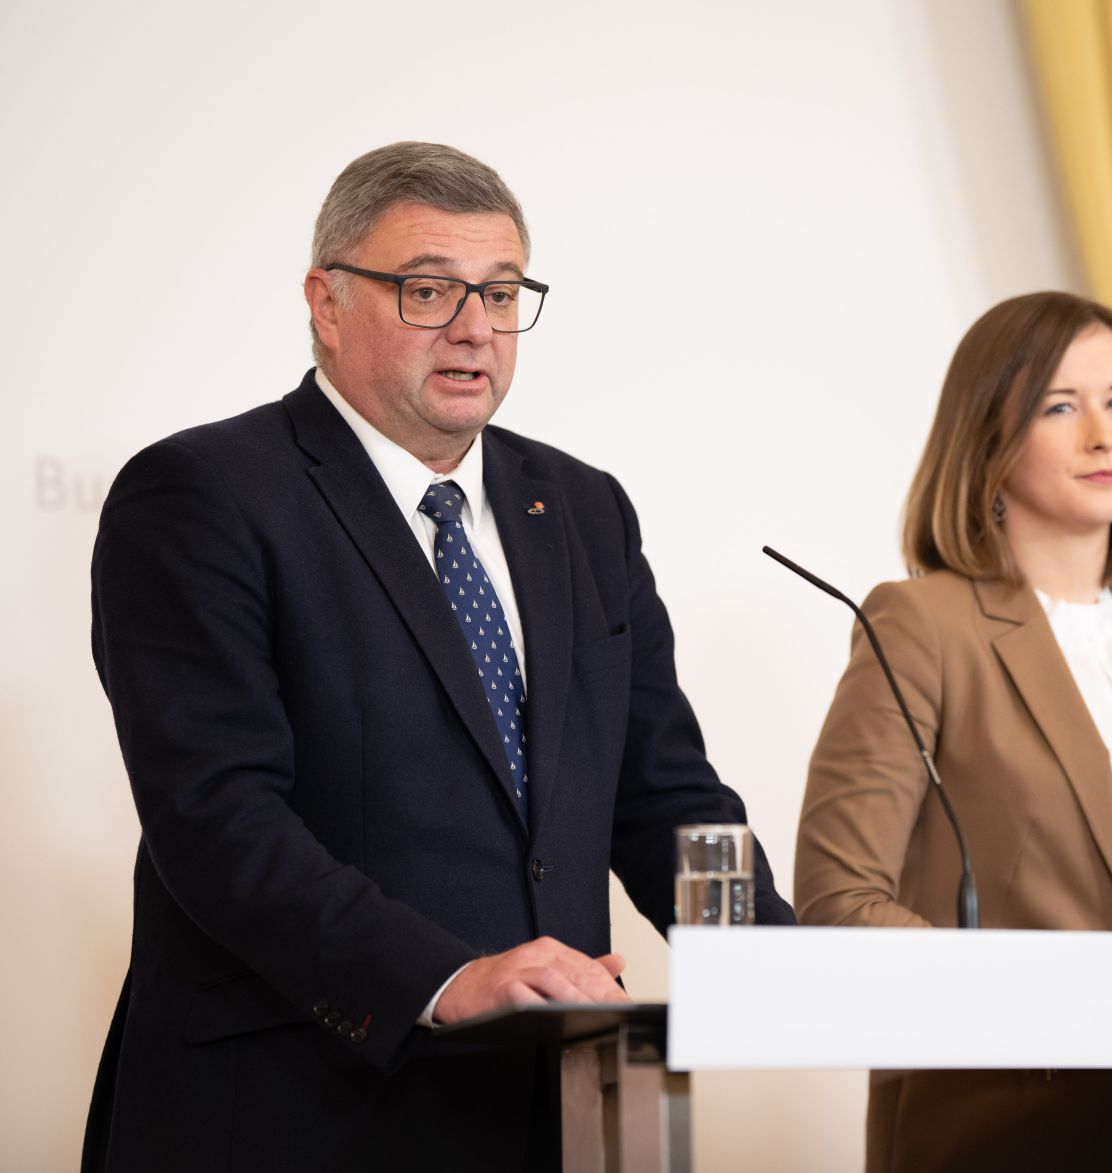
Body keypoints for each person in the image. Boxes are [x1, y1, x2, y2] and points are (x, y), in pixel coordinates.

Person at [82, 142, 793, 1172]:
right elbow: (218, 821)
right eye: (428, 290)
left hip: (556, 1105)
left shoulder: (583, 508)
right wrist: (447, 978)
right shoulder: (203, 493)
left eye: (500, 294)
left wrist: (770, 964)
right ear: (326, 303)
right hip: (302, 1105)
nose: (474, 328)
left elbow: (664, 791)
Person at [793, 291, 1112, 1172]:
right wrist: (1053, 999)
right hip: (1003, 1121)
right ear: (988, 440)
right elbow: (840, 898)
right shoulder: (922, 623)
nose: (1104, 434)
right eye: (1061, 407)